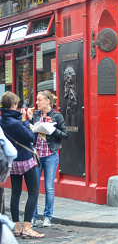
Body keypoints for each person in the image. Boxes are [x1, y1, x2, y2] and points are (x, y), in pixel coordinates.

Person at [0, 91, 44, 238]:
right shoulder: (16, 123)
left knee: (15, 193)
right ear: (13, 105)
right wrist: (27, 121)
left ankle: (17, 227)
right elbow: (31, 137)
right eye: (17, 104)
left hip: (12, 162)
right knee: (33, 192)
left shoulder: (2, 121)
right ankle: (27, 227)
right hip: (25, 159)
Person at [29, 90, 68, 228]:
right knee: (34, 187)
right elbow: (31, 134)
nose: (37, 102)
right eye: (37, 100)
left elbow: (65, 135)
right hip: (37, 155)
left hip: (51, 155)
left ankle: (47, 217)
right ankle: (32, 217)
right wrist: (30, 125)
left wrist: (51, 130)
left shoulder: (57, 116)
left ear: (47, 101)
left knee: (49, 187)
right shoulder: (34, 115)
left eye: (39, 100)